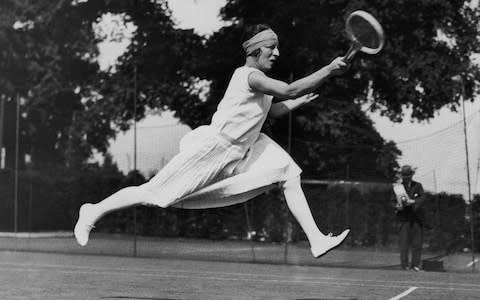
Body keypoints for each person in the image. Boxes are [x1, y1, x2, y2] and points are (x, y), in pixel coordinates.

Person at [74, 24, 351, 258]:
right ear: (255, 50)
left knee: (290, 173)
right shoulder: (250, 76)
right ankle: (93, 210)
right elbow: (288, 90)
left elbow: (274, 110)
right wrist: (327, 69)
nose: (277, 53)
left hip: (244, 149)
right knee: (153, 195)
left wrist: (299, 102)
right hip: (215, 149)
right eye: (271, 47)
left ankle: (316, 240)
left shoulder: (262, 83)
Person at [394, 165, 426, 271]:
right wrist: (397, 206)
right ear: (402, 176)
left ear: (412, 175)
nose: (406, 177)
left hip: (416, 219)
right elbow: (392, 202)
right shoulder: (398, 187)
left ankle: (415, 265)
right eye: (404, 176)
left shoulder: (418, 186)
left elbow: (423, 198)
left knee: (417, 244)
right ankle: (405, 265)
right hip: (403, 219)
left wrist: (414, 201)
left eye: (408, 175)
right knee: (404, 244)